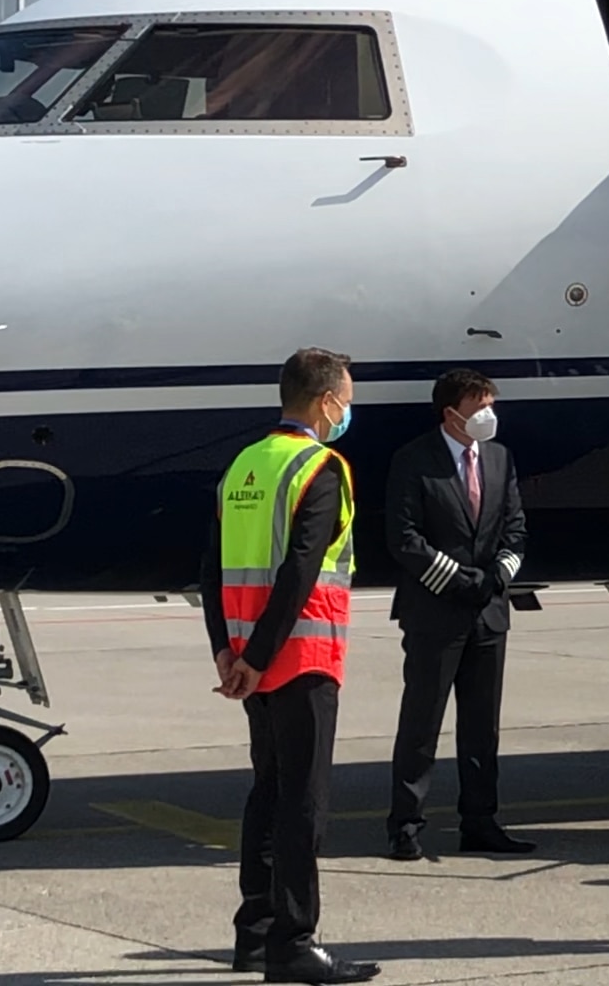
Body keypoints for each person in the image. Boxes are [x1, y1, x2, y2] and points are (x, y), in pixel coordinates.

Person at [201, 347, 380, 985]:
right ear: (325, 401)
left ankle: (253, 933)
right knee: (304, 801)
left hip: (250, 658)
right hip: (300, 657)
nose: (348, 410)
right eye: (346, 399)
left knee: (267, 792)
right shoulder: (321, 467)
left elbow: (211, 568)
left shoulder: (243, 465)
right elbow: (301, 571)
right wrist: (260, 656)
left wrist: (230, 651)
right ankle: (295, 941)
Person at [383, 368, 532, 860]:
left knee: (481, 726)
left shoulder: (500, 457)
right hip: (434, 613)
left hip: (489, 613)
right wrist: (460, 580)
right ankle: (405, 824)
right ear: (451, 414)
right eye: (479, 406)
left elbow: (515, 529)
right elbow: (404, 539)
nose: (489, 414)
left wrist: (496, 579)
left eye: (491, 403)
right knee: (422, 723)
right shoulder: (414, 461)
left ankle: (481, 821)